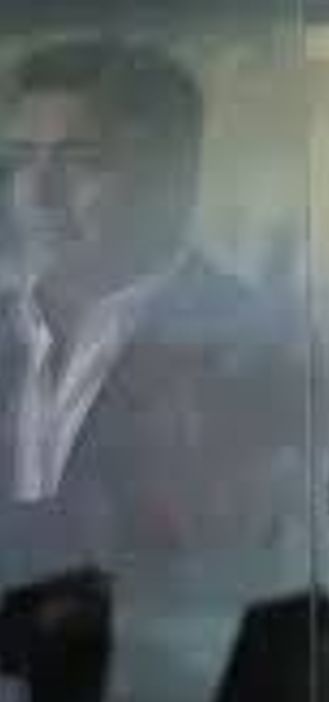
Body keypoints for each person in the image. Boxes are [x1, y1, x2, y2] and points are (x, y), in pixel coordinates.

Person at [0, 39, 302, 581]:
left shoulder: (255, 344)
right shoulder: (10, 326)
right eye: (22, 159)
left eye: (83, 162)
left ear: (171, 178)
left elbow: (251, 562)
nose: (38, 194)